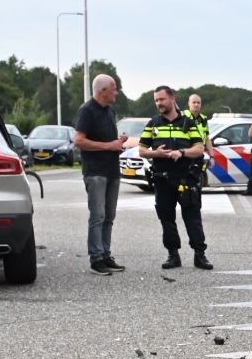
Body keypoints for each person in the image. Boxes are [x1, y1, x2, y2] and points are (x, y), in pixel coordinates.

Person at [138, 86, 212, 270]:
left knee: (193, 218)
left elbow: (199, 149)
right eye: (156, 100)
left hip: (186, 179)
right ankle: (173, 255)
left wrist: (182, 152)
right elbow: (142, 150)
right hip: (162, 179)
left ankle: (199, 255)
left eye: (162, 99)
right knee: (166, 218)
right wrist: (157, 153)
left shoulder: (188, 123)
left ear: (172, 99)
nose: (159, 104)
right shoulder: (153, 123)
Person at [73, 74, 130, 274]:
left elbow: (108, 142)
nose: (117, 92)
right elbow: (78, 140)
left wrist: (118, 142)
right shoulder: (87, 111)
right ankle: (96, 258)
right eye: (114, 88)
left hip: (112, 170)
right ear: (103, 90)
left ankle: (105, 254)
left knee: (109, 216)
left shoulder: (110, 110)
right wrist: (108, 145)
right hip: (95, 172)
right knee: (97, 215)